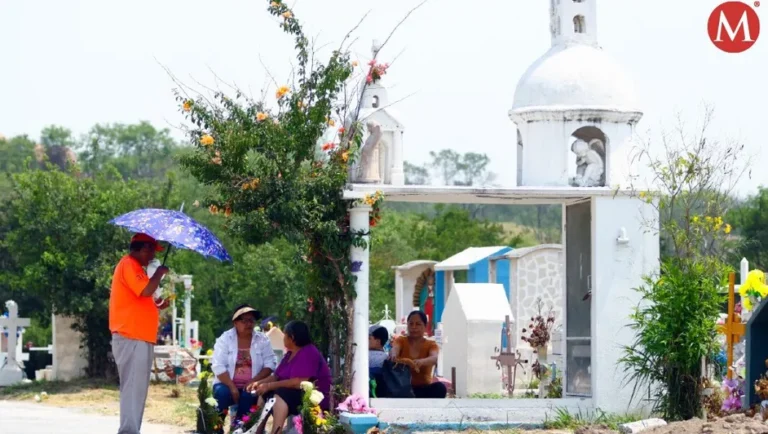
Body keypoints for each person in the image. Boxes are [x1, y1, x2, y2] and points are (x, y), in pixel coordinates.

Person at [109, 233, 171, 434]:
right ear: (144, 248)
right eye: (152, 251)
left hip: (139, 336)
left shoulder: (137, 268)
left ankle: (132, 430)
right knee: (133, 388)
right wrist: (159, 273)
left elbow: (145, 296)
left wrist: (158, 303)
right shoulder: (129, 264)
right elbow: (144, 290)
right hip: (131, 336)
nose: (153, 256)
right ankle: (128, 431)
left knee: (137, 389)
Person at [248, 320, 332, 434]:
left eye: (285, 335)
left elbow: (297, 382)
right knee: (264, 392)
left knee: (281, 393)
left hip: (313, 396)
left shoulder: (309, 352)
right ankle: (257, 430)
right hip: (295, 392)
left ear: (291, 337)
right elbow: (276, 376)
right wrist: (260, 383)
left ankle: (276, 431)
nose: (283, 338)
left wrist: (268, 385)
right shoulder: (290, 353)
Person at [211, 304, 278, 424]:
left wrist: (254, 381)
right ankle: (215, 428)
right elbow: (218, 366)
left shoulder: (262, 339)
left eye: (251, 320)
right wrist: (232, 387)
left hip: (252, 385)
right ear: (235, 323)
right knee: (222, 393)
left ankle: (240, 428)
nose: (249, 323)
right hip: (227, 384)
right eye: (244, 320)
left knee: (250, 395)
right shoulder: (225, 339)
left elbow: (270, 364)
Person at [389, 310, 447, 398]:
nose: (414, 327)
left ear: (425, 326)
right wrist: (393, 354)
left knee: (440, 388)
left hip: (423, 389)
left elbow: (434, 358)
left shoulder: (431, 344)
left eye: (418, 324)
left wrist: (421, 362)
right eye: (411, 324)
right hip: (402, 388)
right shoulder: (401, 340)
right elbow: (395, 349)